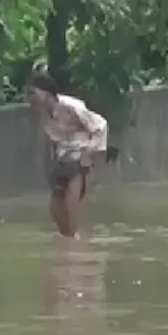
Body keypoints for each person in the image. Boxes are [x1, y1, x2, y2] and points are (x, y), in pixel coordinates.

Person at [27, 73, 114, 238]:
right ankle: (69, 241)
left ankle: (75, 245)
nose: (30, 98)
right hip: (64, 160)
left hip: (81, 157)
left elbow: (100, 125)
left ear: (47, 92)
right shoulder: (43, 114)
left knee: (69, 204)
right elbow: (56, 139)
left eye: (33, 92)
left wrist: (90, 154)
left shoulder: (71, 106)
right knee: (56, 209)